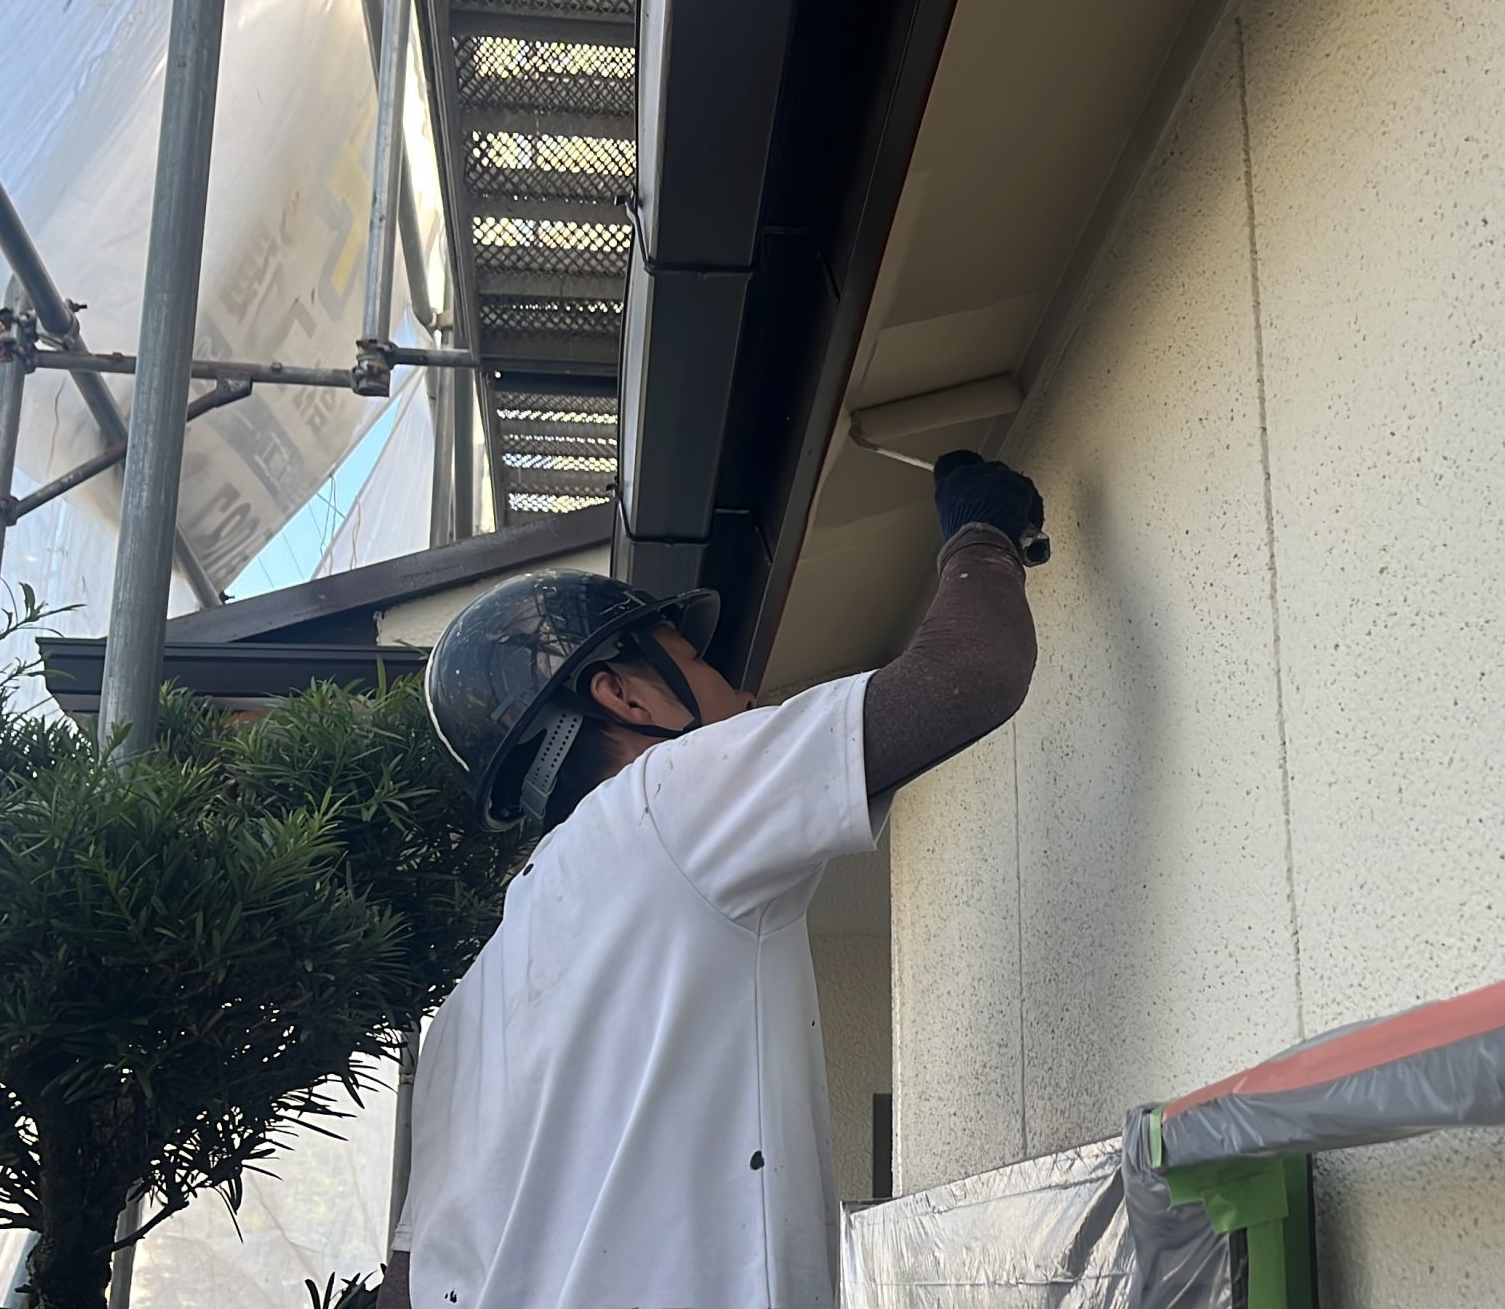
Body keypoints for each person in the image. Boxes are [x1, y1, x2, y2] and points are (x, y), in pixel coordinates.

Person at [379, 452, 1046, 1309]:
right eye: (695, 661)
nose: (741, 687)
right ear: (623, 697)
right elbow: (972, 674)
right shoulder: (661, 802)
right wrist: (981, 535)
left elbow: (411, 1280)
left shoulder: (462, 1017)